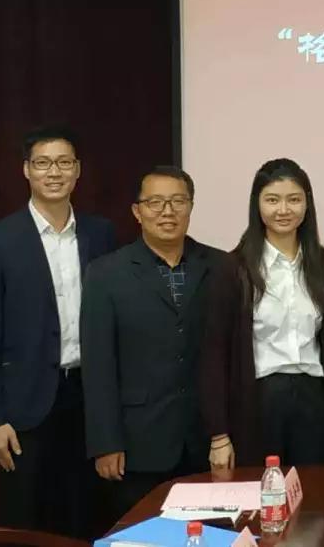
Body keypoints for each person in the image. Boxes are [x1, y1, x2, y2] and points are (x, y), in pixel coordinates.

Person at [0, 124, 115, 538]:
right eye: (43, 163)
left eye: (64, 163)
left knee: (86, 516)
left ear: (77, 170)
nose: (54, 172)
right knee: (28, 519)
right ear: (26, 170)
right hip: (24, 405)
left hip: (87, 397)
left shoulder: (100, 233)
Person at [81, 166, 225, 520]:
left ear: (191, 207)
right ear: (137, 211)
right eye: (156, 202)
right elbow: (98, 365)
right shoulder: (106, 273)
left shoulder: (221, 265)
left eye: (178, 201)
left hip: (203, 440)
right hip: (138, 443)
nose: (167, 211)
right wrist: (105, 443)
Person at [200, 159, 324, 469]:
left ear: (307, 204)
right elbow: (214, 355)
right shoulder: (234, 268)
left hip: (314, 401)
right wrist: (219, 435)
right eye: (272, 200)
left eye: (294, 199)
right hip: (258, 402)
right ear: (257, 204)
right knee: (262, 491)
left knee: (316, 493)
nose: (283, 210)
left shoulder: (323, 265)